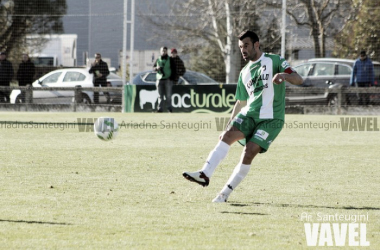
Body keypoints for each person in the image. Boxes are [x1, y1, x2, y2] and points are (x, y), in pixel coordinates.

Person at [182, 30, 303, 203]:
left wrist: (284, 75)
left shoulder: (275, 60)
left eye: (246, 45)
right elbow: (240, 102)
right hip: (250, 114)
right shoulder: (244, 72)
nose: (243, 50)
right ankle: (204, 174)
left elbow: (299, 79)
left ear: (256, 44)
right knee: (226, 136)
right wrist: (228, 124)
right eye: (240, 47)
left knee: (249, 152)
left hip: (272, 119)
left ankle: (224, 194)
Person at [153, 46, 177, 112]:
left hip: (167, 80)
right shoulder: (158, 59)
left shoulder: (170, 59)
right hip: (159, 80)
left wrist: (172, 78)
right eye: (162, 51)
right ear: (160, 52)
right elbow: (154, 67)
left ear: (167, 51)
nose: (163, 52)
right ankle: (160, 109)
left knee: (168, 96)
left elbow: (174, 69)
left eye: (164, 51)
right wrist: (156, 68)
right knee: (160, 96)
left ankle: (169, 109)